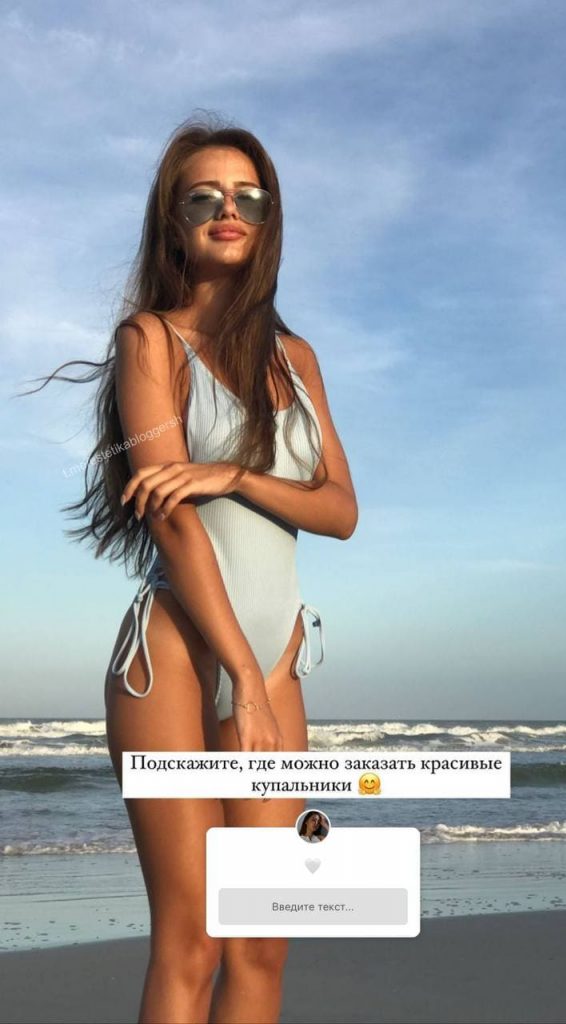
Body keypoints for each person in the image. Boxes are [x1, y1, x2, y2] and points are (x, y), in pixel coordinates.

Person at [40, 114, 357, 1024]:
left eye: (249, 197)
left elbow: (339, 510)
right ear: (172, 222)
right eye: (204, 196)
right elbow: (172, 523)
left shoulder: (297, 359)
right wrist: (241, 681)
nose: (228, 209)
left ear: (269, 220)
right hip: (176, 655)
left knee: (261, 939)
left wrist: (237, 474)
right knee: (193, 939)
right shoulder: (148, 340)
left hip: (274, 652)